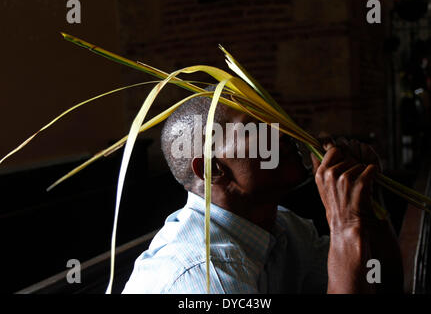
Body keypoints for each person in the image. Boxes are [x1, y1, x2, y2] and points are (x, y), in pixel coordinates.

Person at [122, 88, 403, 294]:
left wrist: (366, 204)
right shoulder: (205, 277)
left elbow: (383, 285)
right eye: (254, 128)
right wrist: (346, 226)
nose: (283, 132)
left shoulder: (284, 229)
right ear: (213, 170)